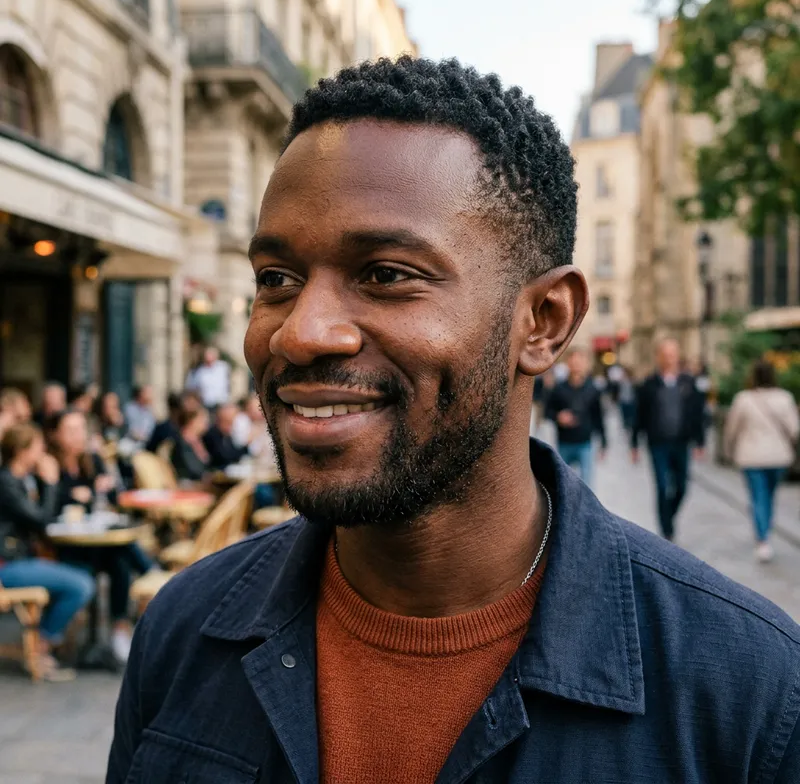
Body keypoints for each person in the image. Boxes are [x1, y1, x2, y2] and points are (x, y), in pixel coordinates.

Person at [108, 57, 800, 783]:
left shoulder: (747, 698)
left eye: (386, 274)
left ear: (544, 321)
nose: (300, 333)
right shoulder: (183, 633)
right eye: (276, 280)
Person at [47, 410, 152, 662]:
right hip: (68, 547)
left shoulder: (92, 459)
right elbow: (51, 507)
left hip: (98, 544)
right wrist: (82, 493)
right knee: (123, 552)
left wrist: (106, 485)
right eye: (70, 430)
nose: (78, 435)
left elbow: (115, 498)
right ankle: (150, 577)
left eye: (81, 429)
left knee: (120, 557)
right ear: (56, 435)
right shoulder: (51, 465)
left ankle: (118, 628)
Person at [0, 423, 95, 680]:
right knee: (81, 584)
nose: (43, 451)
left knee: (85, 571)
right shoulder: (6, 482)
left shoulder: (22, 480)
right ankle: (42, 645)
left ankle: (53, 642)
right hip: (7, 566)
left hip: (23, 559)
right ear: (22, 451)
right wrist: (51, 483)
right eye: (38, 446)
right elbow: (42, 519)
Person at [724, 360, 799, 563]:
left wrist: (728, 449)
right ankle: (765, 531)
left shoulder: (743, 399)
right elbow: (794, 429)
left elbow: (732, 428)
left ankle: (762, 539)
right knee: (770, 496)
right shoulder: (785, 398)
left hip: (751, 457)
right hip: (778, 457)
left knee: (758, 497)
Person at [631, 338, 706, 541]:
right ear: (659, 357)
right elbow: (639, 415)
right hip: (658, 443)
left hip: (681, 442)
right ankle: (667, 530)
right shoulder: (649, 384)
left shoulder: (688, 383)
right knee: (663, 487)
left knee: (681, 487)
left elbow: (698, 413)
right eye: (665, 354)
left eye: (673, 354)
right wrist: (634, 444)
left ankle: (668, 517)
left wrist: (700, 441)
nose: (669, 358)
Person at [545, 348, 606, 486]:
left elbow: (598, 417)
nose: (576, 364)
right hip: (564, 443)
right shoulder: (558, 388)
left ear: (585, 364)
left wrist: (604, 442)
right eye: (573, 360)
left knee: (587, 485)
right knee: (563, 485)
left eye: (580, 360)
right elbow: (547, 412)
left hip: (585, 444)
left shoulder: (593, 389)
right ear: (568, 363)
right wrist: (558, 416)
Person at [170, 406, 211, 482]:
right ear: (192, 421)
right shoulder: (182, 442)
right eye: (202, 420)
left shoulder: (198, 441)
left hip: (200, 482)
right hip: (187, 484)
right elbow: (192, 469)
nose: (206, 424)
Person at [203, 403, 248, 471]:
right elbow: (224, 457)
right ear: (219, 420)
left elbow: (236, 453)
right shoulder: (211, 435)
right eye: (227, 422)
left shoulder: (226, 434)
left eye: (231, 422)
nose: (230, 426)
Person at [185, 346, 230, 410]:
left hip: (221, 403)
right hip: (205, 404)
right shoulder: (199, 370)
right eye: (208, 354)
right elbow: (191, 387)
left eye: (211, 354)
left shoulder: (223, 367)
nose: (209, 357)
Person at [618, 367, 637, 434]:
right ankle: (626, 426)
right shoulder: (621, 381)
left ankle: (630, 426)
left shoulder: (632, 380)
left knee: (630, 415)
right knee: (624, 415)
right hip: (623, 400)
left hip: (631, 400)